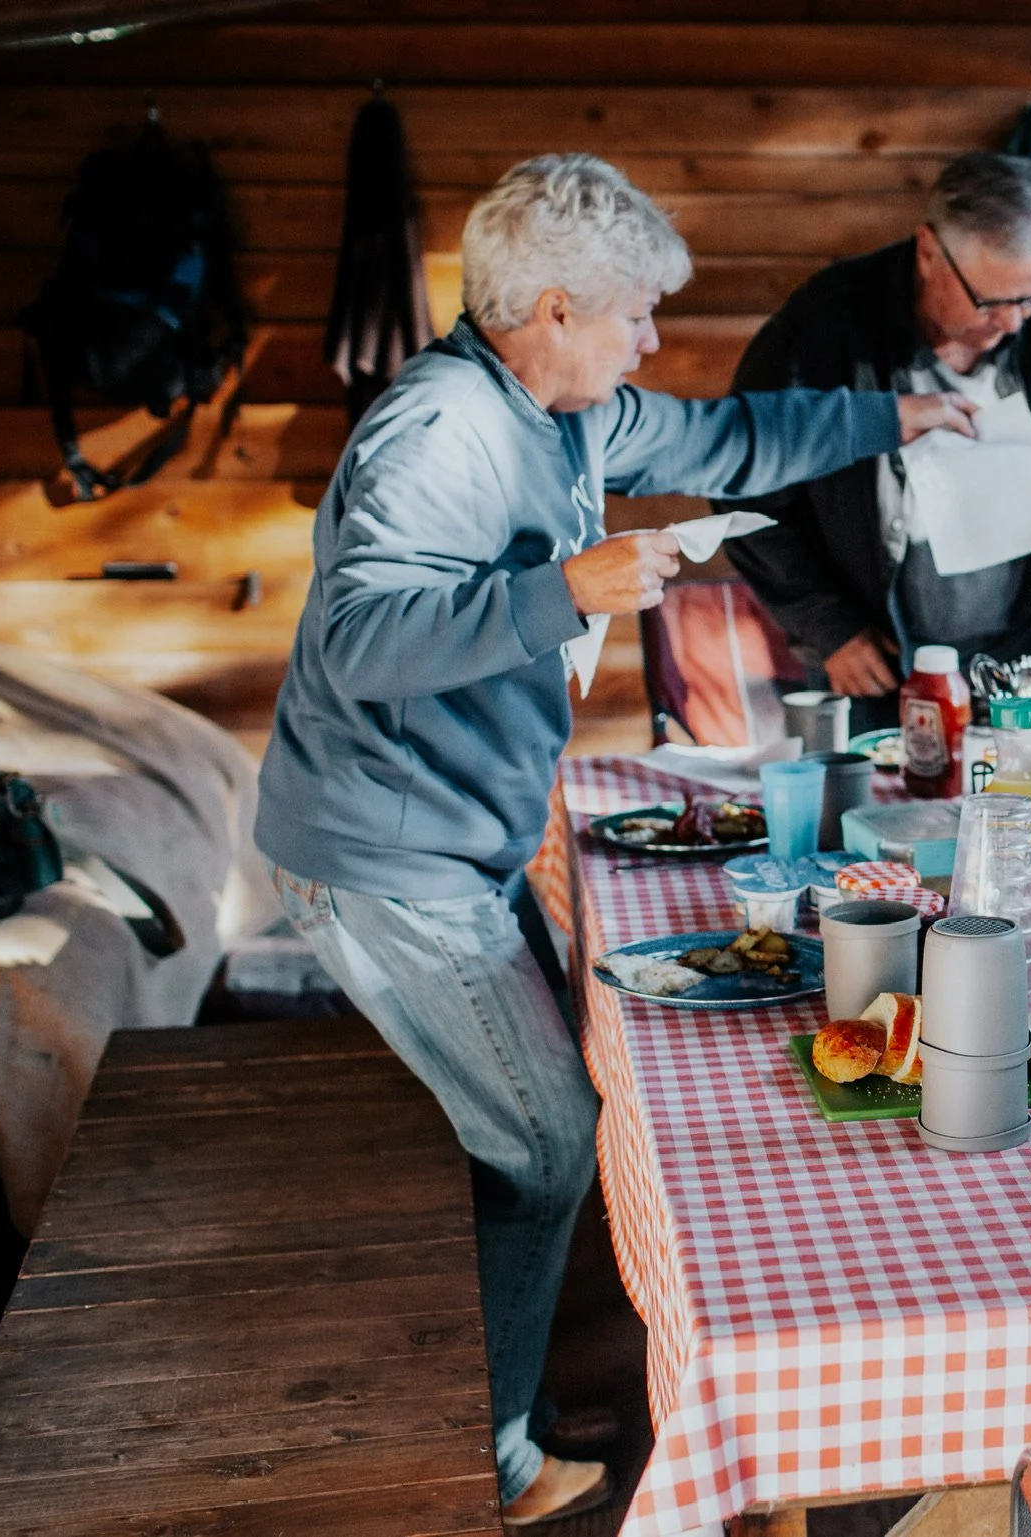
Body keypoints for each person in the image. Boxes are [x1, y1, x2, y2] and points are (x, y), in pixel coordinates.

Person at [254, 154, 972, 1525]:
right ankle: (491, 1463)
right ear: (555, 310)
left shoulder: (563, 407)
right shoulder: (439, 431)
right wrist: (563, 589)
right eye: (636, 314)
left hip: (456, 841)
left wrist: (902, 413)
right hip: (380, 860)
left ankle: (507, 1399)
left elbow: (729, 439)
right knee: (544, 1138)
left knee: (561, 1094)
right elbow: (358, 643)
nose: (649, 341)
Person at [719, 152, 1031, 724]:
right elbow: (741, 486)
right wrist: (830, 626)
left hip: (1024, 656)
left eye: (1030, 297)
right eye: (992, 302)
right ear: (928, 250)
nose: (1013, 323)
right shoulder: (824, 327)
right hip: (879, 665)